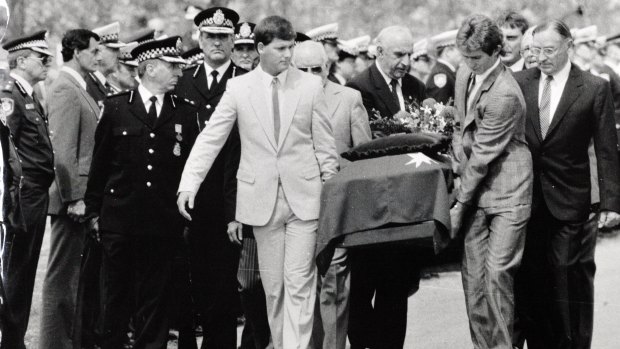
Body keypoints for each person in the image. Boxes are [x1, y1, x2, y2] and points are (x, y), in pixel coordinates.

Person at [177, 15, 339, 349]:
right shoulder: (239, 88)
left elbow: (325, 147)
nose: (287, 55)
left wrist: (331, 194)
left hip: (305, 199)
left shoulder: (309, 86)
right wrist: (188, 184)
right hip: (261, 202)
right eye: (280, 48)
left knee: (299, 283)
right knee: (274, 287)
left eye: (290, 47)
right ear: (260, 48)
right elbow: (212, 138)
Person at [84, 35, 199, 349]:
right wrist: (93, 212)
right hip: (119, 222)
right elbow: (100, 165)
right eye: (173, 66)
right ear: (150, 69)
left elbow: (190, 168)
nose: (180, 71)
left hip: (162, 224)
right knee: (114, 299)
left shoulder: (185, 113)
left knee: (156, 301)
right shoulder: (117, 107)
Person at [513, 20, 620, 349]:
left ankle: (574, 343)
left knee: (567, 277)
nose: (541, 57)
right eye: (535, 50)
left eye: (548, 50)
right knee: (533, 280)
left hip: (571, 199)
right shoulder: (518, 83)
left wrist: (612, 203)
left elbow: (605, 149)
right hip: (528, 201)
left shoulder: (592, 87)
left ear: (568, 46)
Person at [449, 14, 533, 349]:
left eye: (476, 58)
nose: (469, 63)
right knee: (473, 281)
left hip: (507, 193)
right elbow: (459, 126)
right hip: (474, 187)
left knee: (497, 275)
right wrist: (457, 163)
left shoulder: (505, 94)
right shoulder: (463, 74)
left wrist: (458, 205)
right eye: (464, 56)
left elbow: (483, 155)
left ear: (497, 52)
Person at [345, 26, 425, 349]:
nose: (406, 61)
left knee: (396, 288)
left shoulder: (417, 87)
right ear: (378, 52)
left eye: (410, 54)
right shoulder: (359, 89)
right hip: (371, 205)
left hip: (406, 204)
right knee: (363, 286)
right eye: (399, 55)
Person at [174, 7, 246, 348]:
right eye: (210, 37)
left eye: (223, 37)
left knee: (223, 284)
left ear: (233, 41)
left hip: (227, 195)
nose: (216, 43)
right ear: (199, 39)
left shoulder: (245, 82)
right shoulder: (183, 80)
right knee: (187, 281)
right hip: (187, 196)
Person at [292, 40, 370, 349]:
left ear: (328, 67)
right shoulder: (281, 99)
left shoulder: (350, 98)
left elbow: (361, 158)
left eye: (317, 69)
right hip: (295, 210)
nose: (312, 75)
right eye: (303, 69)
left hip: (337, 211)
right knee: (301, 289)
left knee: (334, 286)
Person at [39, 28, 101, 349]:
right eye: (94, 51)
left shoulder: (77, 86)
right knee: (61, 280)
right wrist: (75, 198)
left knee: (72, 278)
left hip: (77, 200)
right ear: (77, 52)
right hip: (69, 202)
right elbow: (63, 152)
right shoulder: (65, 87)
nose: (99, 56)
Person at [0, 30, 54, 349]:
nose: (48, 63)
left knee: (24, 272)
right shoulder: (10, 95)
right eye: (42, 58)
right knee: (15, 273)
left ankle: (15, 339)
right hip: (20, 199)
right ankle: (11, 341)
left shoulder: (29, 94)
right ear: (21, 60)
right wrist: (10, 203)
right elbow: (7, 154)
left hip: (34, 197)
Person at [87, 22, 125, 105]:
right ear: (98, 51)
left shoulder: (105, 85)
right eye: (114, 49)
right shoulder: (87, 85)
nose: (119, 55)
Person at [426, 29, 461, 104]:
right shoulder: (441, 75)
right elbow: (440, 110)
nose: (463, 53)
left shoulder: (447, 72)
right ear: (448, 52)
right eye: (459, 49)